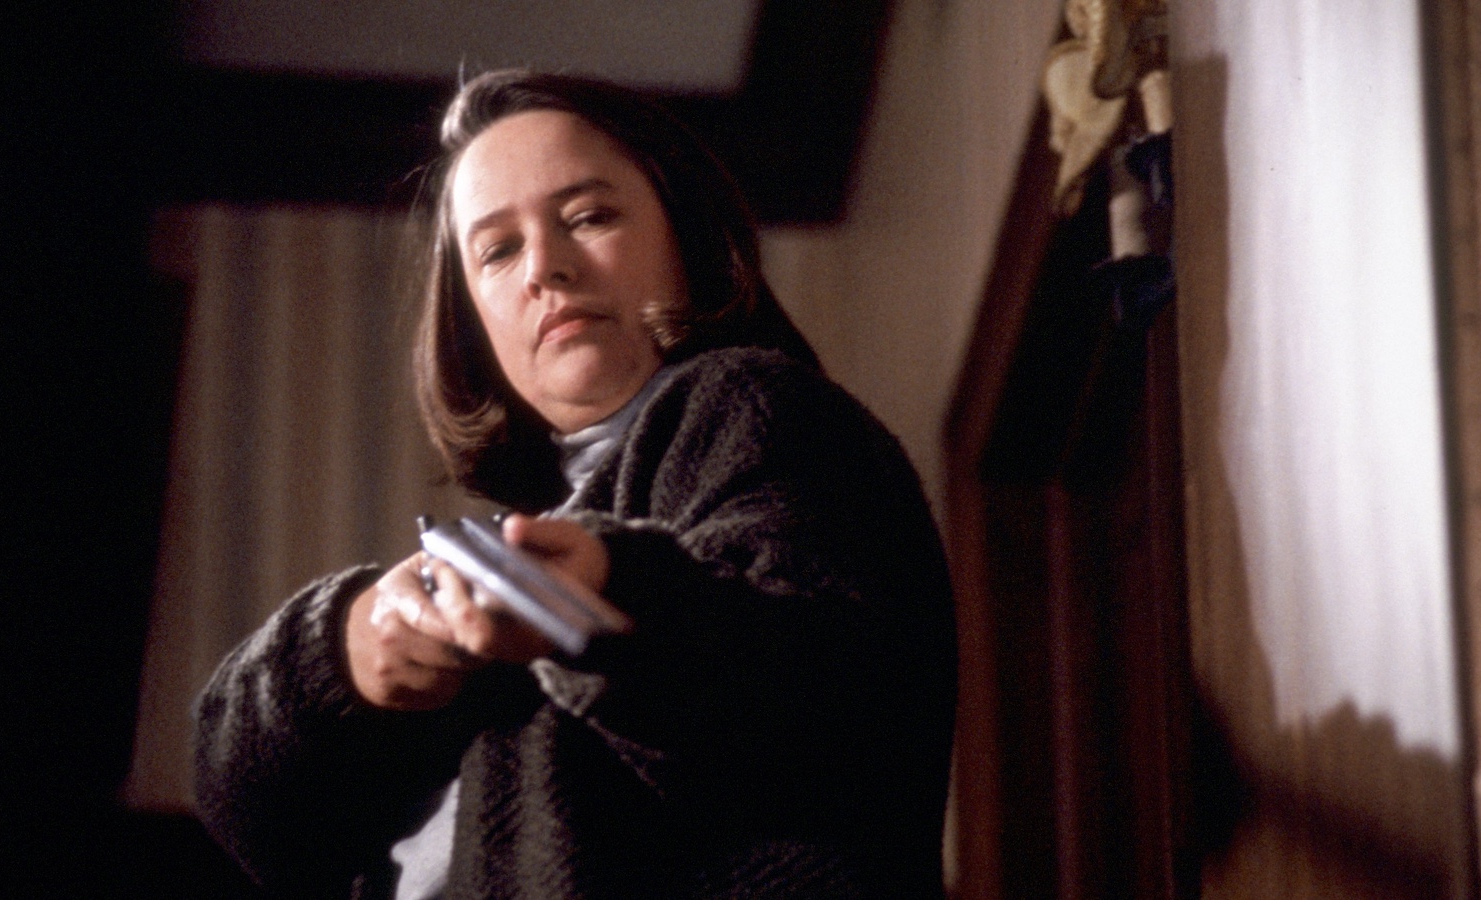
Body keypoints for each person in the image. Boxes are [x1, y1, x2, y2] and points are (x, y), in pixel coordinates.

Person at [194, 69, 957, 900]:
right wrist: (350, 655)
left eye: (589, 217)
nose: (544, 269)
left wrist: (613, 597)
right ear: (470, 316)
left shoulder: (751, 403)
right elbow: (255, 820)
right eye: (498, 250)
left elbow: (818, 691)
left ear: (685, 235)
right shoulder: (510, 558)